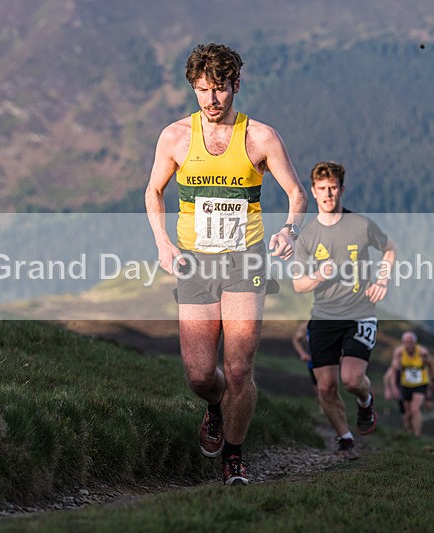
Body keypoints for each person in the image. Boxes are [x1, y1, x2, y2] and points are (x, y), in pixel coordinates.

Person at [145, 43, 307, 485]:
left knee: (238, 369)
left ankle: (234, 456)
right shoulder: (175, 137)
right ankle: (215, 407)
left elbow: (297, 194)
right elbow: (154, 190)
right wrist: (162, 242)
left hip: (245, 261)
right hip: (195, 264)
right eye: (202, 90)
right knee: (200, 375)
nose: (211, 99)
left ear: (236, 85)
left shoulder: (261, 137)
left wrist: (289, 231)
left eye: (219, 89)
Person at [292, 161, 396, 455]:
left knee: (351, 380)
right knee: (325, 387)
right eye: (322, 188)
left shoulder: (361, 225)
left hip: (359, 314)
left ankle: (366, 401)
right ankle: (345, 437)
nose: (328, 194)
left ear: (342, 189)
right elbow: (298, 284)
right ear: (313, 191)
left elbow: (389, 249)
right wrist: (318, 276)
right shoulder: (307, 235)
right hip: (323, 318)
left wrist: (382, 280)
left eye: (333, 188)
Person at [384, 331, 434, 437]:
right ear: (403, 342)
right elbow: (393, 370)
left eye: (410, 342)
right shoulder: (399, 352)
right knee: (407, 413)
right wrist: (393, 387)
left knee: (415, 410)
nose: (408, 345)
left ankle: (417, 434)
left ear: (414, 342)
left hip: (420, 384)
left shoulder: (422, 352)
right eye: (406, 342)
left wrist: (433, 380)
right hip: (405, 385)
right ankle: (408, 432)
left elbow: (431, 365)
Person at [291, 320, 321, 407]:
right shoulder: (307, 326)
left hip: (328, 363)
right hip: (313, 363)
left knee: (327, 388)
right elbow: (296, 339)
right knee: (317, 390)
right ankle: (322, 409)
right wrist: (303, 354)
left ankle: (326, 409)